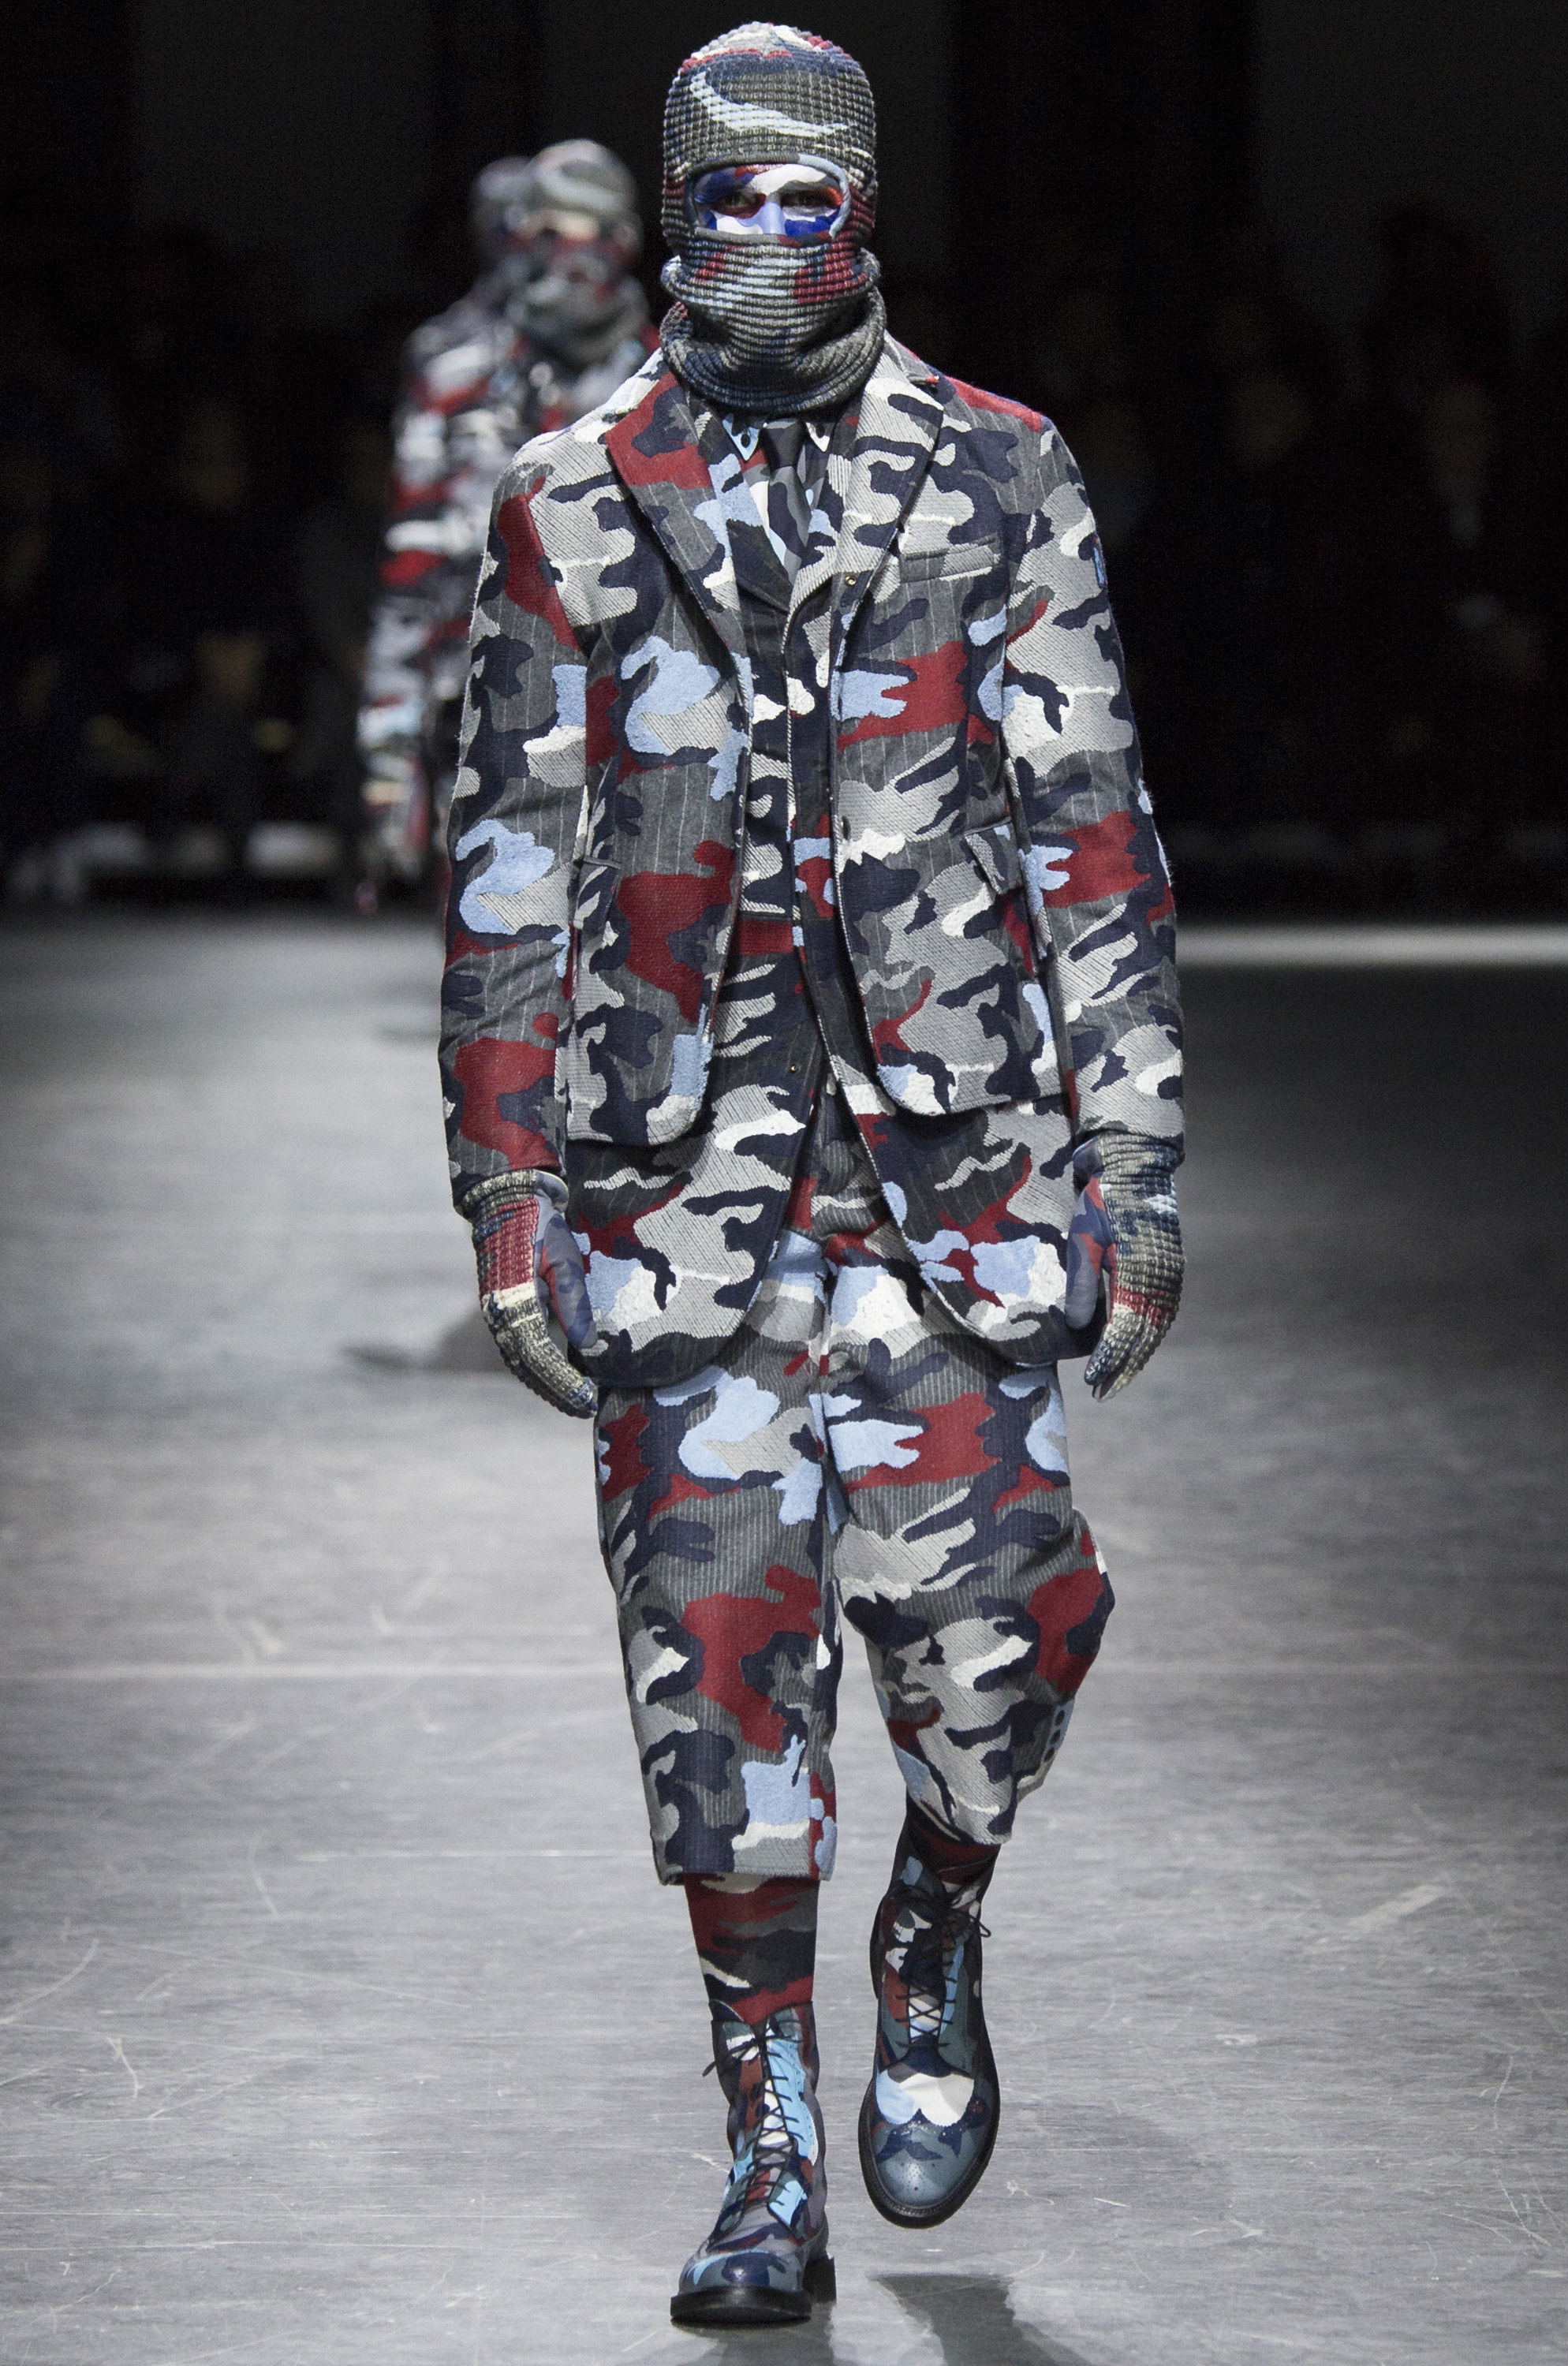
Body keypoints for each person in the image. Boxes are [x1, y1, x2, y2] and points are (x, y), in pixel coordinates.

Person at [439, 22, 1184, 2331]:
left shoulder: (999, 471)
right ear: (677, 212)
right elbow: (509, 856)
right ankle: (769, 2141)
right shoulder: (574, 492)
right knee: (718, 1674)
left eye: (815, 190)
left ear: (869, 205)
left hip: (952, 1179)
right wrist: (504, 1192)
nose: (777, 228)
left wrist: (1134, 1167)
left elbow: (1087, 833)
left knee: (1004, 1636)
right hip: (675, 1188)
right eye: (735, 191)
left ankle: (935, 1911)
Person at [358, 142, 651, 891]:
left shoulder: (676, 382)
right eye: (551, 232)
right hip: (482, 704)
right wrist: (390, 746)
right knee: (491, 930)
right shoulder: (455, 374)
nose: (574, 256)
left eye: (597, 233)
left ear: (627, 242)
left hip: (641, 709)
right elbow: (415, 561)